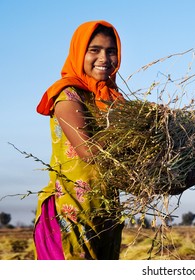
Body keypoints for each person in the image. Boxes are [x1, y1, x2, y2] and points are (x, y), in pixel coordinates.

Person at [34, 20, 125, 260]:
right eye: (94, 50)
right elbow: (89, 151)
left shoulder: (111, 100)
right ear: (79, 52)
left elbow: (125, 165)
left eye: (111, 50)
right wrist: (127, 124)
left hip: (105, 215)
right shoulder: (67, 94)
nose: (104, 58)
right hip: (68, 214)